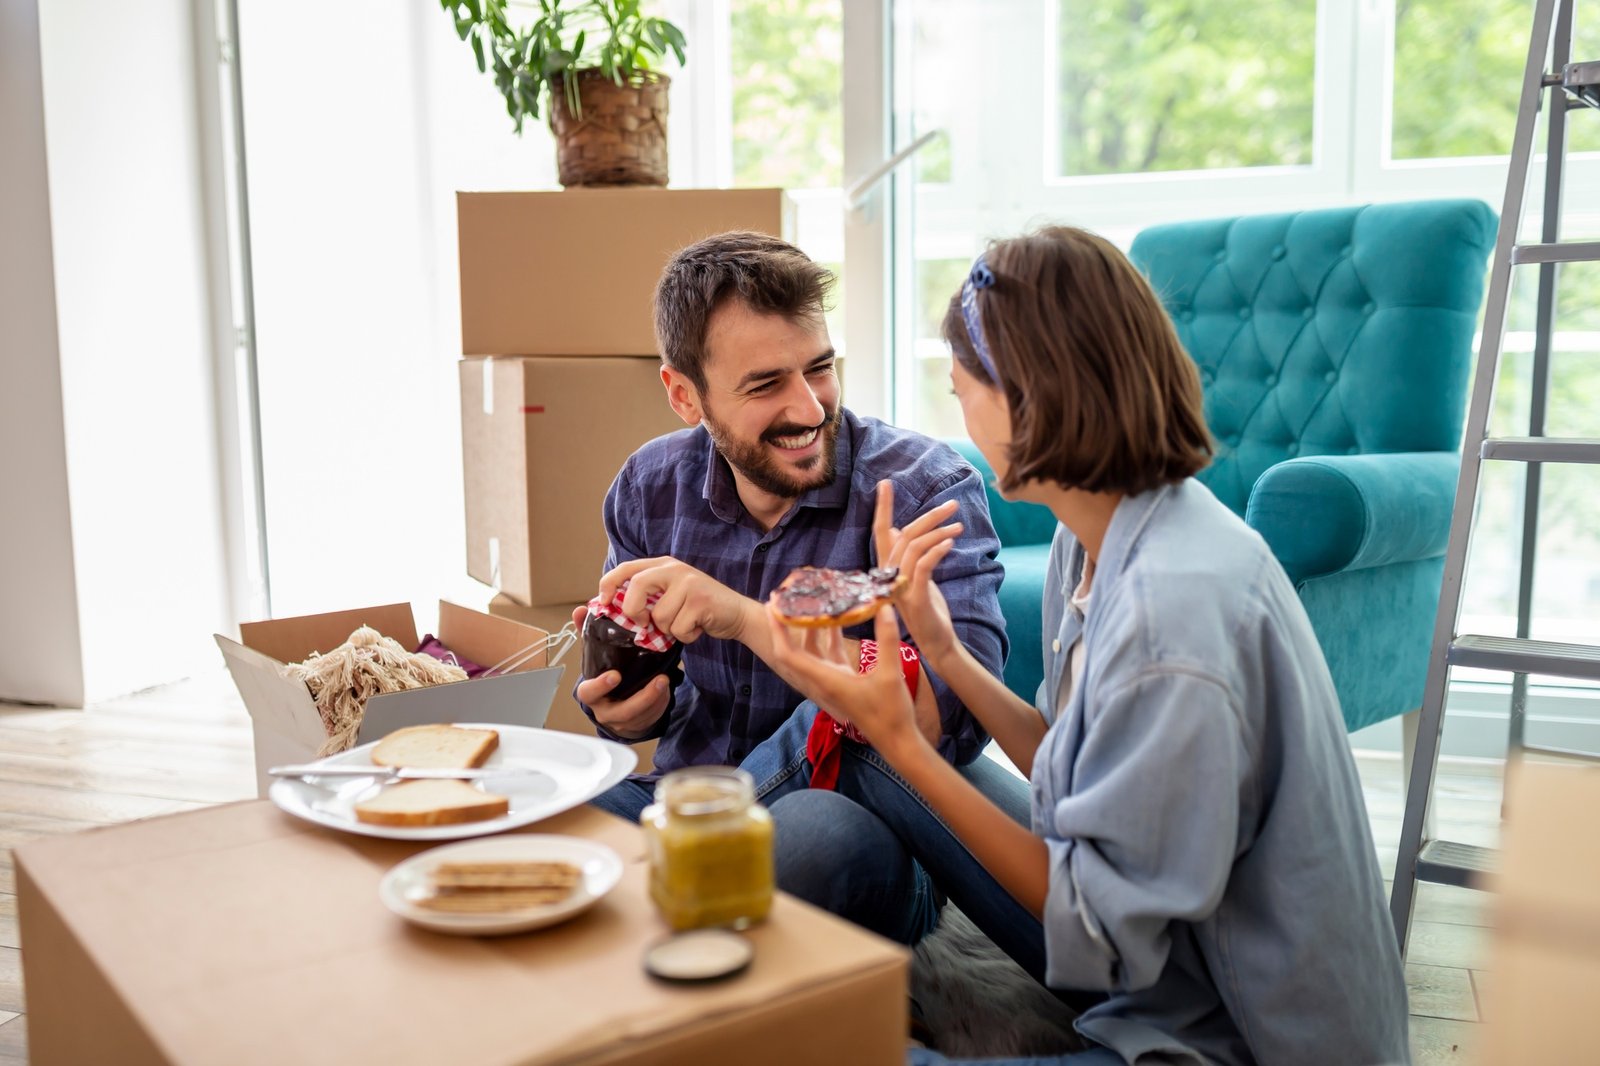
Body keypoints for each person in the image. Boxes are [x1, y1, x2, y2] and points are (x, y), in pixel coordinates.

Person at [765, 227, 1411, 1065]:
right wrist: (944, 654)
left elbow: (1101, 930)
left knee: (808, 1051)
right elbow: (1072, 770)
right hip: (1161, 969)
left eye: (961, 387)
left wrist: (903, 739)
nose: (955, 403)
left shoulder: (1171, 616)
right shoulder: (1103, 531)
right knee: (871, 755)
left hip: (1226, 1041)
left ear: (1031, 397)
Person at [575, 230, 1021, 945]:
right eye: (764, 385)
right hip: (682, 794)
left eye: (819, 368)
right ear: (684, 395)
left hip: (854, 822)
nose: (811, 408)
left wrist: (747, 619)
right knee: (558, 823)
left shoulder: (921, 488)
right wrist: (625, 714)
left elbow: (960, 717)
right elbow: (637, 696)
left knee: (810, 842)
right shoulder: (648, 487)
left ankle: (675, 901)